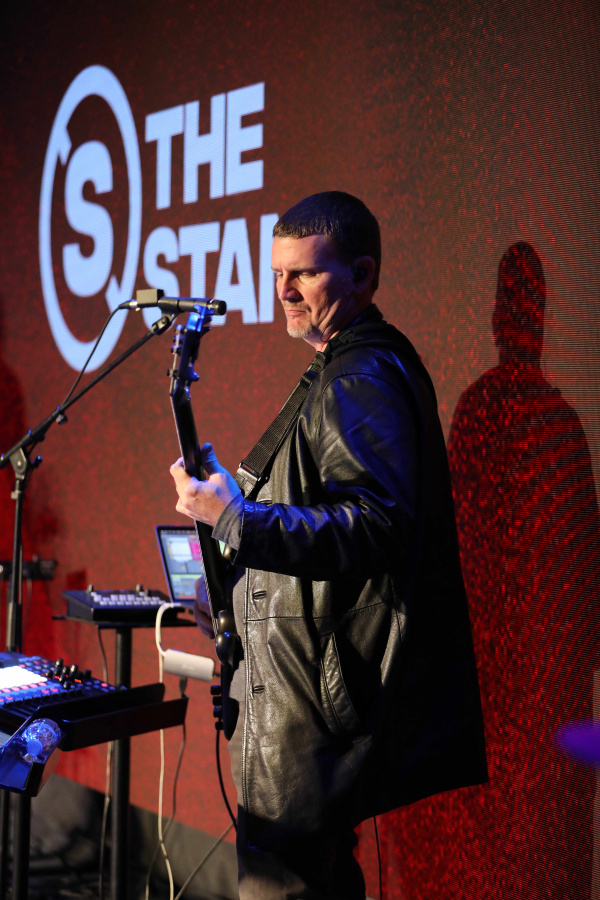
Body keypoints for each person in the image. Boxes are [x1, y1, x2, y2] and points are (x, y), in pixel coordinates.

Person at [170, 191, 487, 899]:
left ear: (363, 274)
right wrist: (236, 523)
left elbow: (376, 525)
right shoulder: (342, 367)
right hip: (300, 699)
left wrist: (238, 520)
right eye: (276, 273)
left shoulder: (360, 375)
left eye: (305, 274)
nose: (283, 291)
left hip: (312, 710)